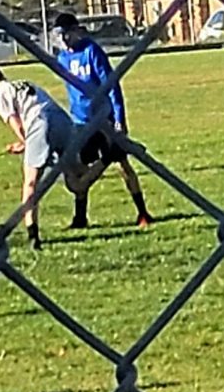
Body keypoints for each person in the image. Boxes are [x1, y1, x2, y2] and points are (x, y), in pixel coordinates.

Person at [0, 66, 107, 250]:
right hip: (61, 120)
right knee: (77, 179)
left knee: (30, 183)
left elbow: (17, 123)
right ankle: (108, 157)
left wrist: (24, 142)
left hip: (39, 122)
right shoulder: (23, 84)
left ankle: (33, 235)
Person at [53, 12, 154, 230]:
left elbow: (111, 86)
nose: (63, 40)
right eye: (58, 36)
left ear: (76, 31)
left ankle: (143, 212)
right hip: (80, 122)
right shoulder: (62, 58)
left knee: (123, 164)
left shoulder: (92, 51)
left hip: (104, 120)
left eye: (66, 35)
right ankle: (80, 218)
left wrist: (119, 119)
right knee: (81, 169)